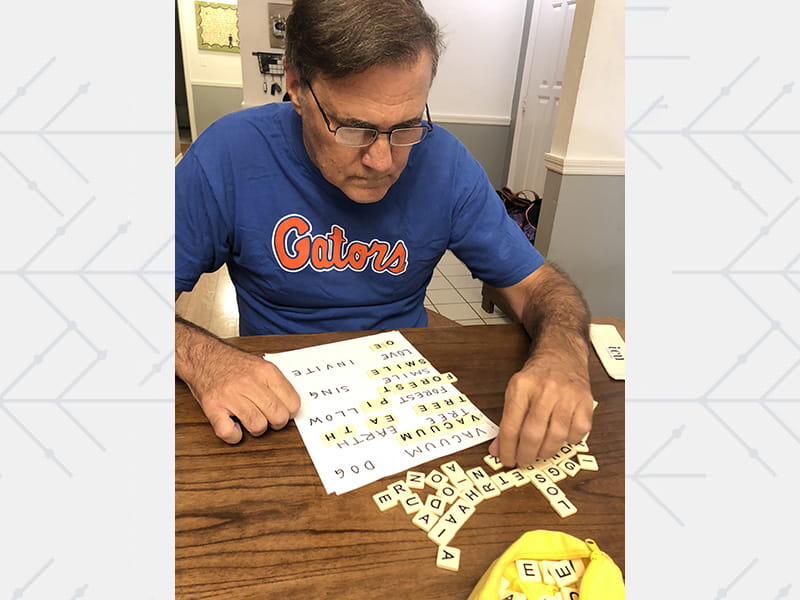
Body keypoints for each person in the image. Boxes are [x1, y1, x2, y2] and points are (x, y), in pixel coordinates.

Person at [175, 0, 594, 467]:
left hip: (403, 401)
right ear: (295, 85)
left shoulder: (445, 162)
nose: (383, 161)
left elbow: (539, 287)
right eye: (354, 129)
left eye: (406, 127)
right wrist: (205, 359)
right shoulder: (229, 154)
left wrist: (563, 352)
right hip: (278, 409)